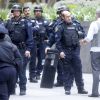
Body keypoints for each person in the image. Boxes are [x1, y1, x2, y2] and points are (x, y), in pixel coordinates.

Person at [55, 10, 88, 95]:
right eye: (67, 16)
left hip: (75, 50)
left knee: (78, 69)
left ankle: (81, 88)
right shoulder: (60, 27)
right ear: (62, 17)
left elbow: (83, 34)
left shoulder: (76, 24)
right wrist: (60, 52)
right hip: (65, 51)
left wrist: (82, 38)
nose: (69, 18)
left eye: (70, 16)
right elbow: (57, 41)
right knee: (67, 71)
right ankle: (67, 88)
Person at [5, 4, 33, 95]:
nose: (16, 12)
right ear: (12, 12)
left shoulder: (26, 22)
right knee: (12, 69)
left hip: (22, 48)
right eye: (14, 11)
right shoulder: (8, 22)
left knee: (21, 69)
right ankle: (12, 88)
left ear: (20, 12)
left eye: (18, 11)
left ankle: (23, 88)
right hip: (11, 48)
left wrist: (28, 49)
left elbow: (30, 37)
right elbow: (4, 34)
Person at [81, 8, 100, 97]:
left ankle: (95, 92)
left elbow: (89, 37)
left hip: (96, 50)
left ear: (97, 14)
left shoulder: (94, 24)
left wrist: (84, 41)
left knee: (96, 71)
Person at [0, 25, 22, 100]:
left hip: (1, 72)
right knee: (7, 94)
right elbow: (19, 59)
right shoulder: (12, 46)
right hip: (12, 72)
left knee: (3, 96)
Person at [33, 5, 51, 80]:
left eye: (39, 11)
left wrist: (48, 40)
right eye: (36, 11)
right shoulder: (31, 20)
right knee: (32, 59)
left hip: (42, 42)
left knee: (41, 59)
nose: (38, 12)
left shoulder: (46, 21)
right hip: (33, 42)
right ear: (34, 12)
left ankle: (38, 73)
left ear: (41, 12)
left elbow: (50, 33)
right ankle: (32, 73)